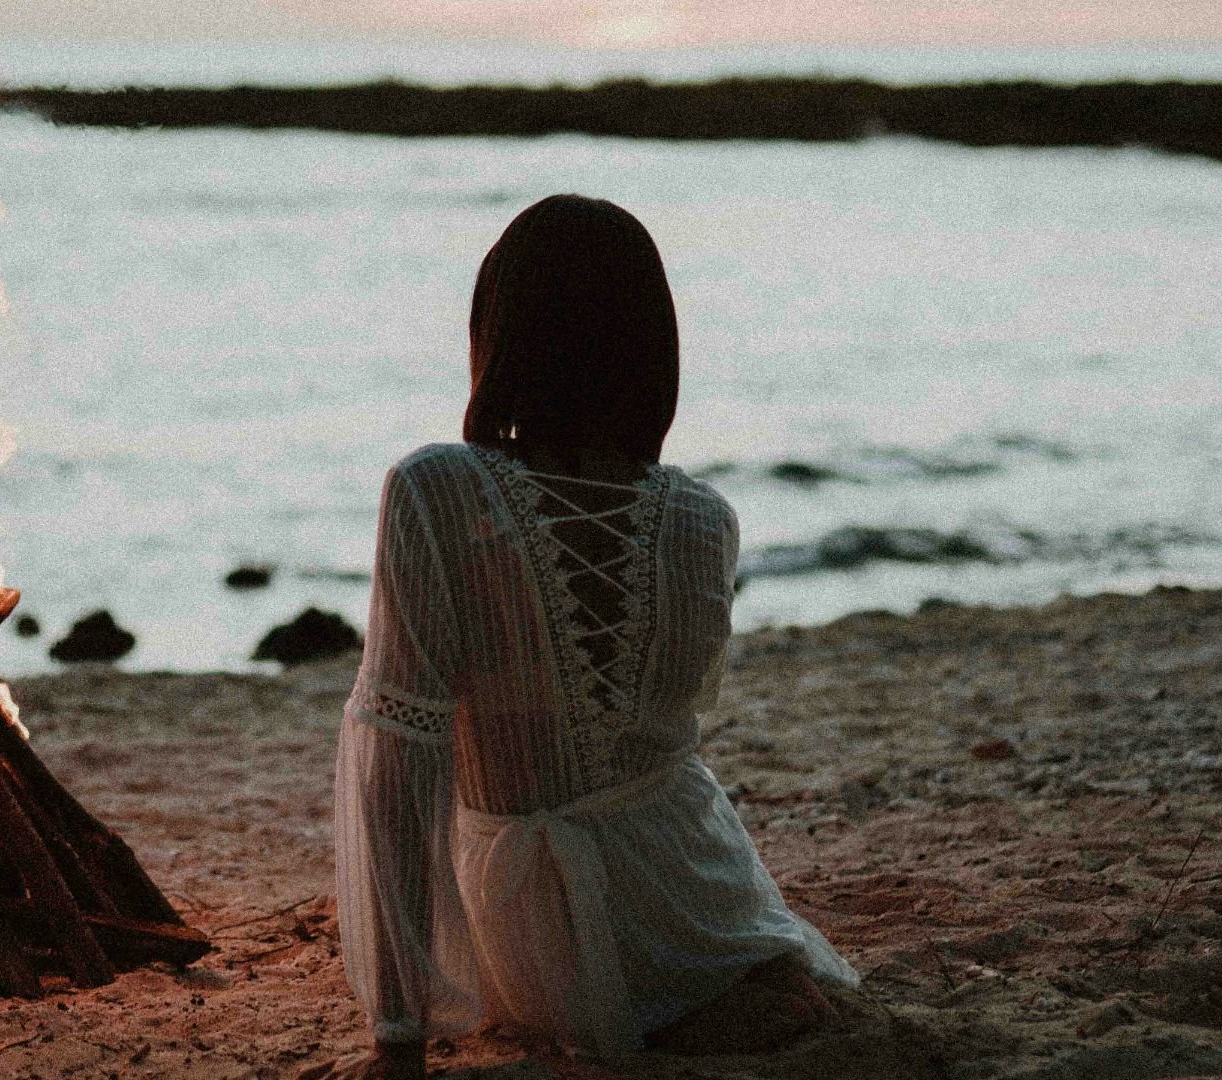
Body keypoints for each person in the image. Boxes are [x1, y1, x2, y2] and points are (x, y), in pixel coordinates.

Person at [327, 195, 858, 1078]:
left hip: (523, 916)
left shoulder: (436, 488)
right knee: (771, 992)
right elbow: (662, 749)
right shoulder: (704, 517)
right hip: (692, 891)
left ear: (498, 333)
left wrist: (398, 1035)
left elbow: (399, 756)